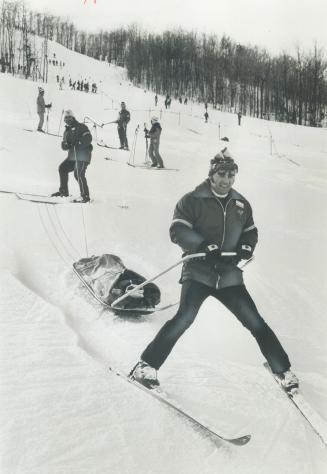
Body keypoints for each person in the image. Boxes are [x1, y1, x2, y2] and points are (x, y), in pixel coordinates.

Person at [130, 148, 299, 391]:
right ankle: (146, 366)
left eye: (231, 176)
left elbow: (250, 231)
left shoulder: (241, 203)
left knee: (254, 321)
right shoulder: (192, 200)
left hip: (229, 275)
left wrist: (245, 247)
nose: (226, 180)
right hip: (199, 271)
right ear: (211, 174)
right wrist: (203, 245)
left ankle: (283, 371)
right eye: (222, 175)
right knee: (184, 318)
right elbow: (178, 229)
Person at [51, 110, 93, 203]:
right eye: (66, 118)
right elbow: (64, 145)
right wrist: (65, 145)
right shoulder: (66, 131)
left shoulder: (81, 126)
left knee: (78, 173)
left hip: (83, 155)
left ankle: (85, 196)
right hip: (73, 156)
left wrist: (79, 142)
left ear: (73, 118)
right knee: (62, 168)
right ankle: (64, 192)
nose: (68, 119)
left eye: (70, 117)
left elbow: (88, 138)